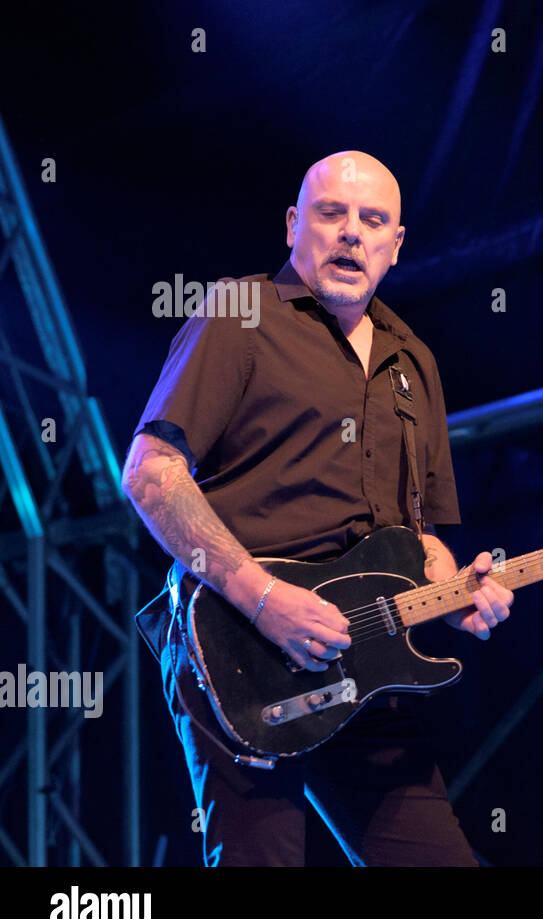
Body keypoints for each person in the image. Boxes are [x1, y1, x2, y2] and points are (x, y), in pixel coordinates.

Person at [123, 150, 514, 866]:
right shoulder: (242, 314)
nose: (351, 234)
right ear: (294, 225)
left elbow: (417, 533)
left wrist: (453, 590)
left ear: (396, 246)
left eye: (373, 221)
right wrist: (265, 597)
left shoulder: (412, 359)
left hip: (367, 660)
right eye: (331, 214)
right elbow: (151, 473)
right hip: (239, 649)